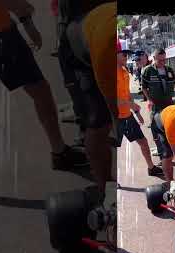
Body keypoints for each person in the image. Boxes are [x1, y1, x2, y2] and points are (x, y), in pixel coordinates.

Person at [0, 0, 89, 170]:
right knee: (40, 91)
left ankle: (59, 153)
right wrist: (22, 13)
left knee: (40, 90)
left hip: (4, 30)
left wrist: (25, 19)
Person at [62, 1, 117, 198]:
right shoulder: (106, 49)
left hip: (95, 29)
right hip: (77, 56)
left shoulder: (117, 33)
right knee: (99, 124)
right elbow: (113, 107)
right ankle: (104, 191)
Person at [116, 40, 163, 177]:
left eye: (127, 54)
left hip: (127, 116)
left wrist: (136, 112)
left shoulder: (125, 71)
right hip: (114, 119)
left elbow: (127, 94)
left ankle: (151, 168)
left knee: (143, 142)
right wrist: (131, 105)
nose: (127, 57)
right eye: (123, 54)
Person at [141, 48, 175, 158]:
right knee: (155, 128)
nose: (163, 62)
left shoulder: (170, 70)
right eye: (160, 60)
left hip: (169, 104)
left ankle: (170, 147)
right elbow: (144, 87)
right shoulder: (148, 71)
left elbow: (173, 83)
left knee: (169, 127)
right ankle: (160, 149)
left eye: (164, 60)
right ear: (154, 58)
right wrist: (149, 99)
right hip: (155, 105)